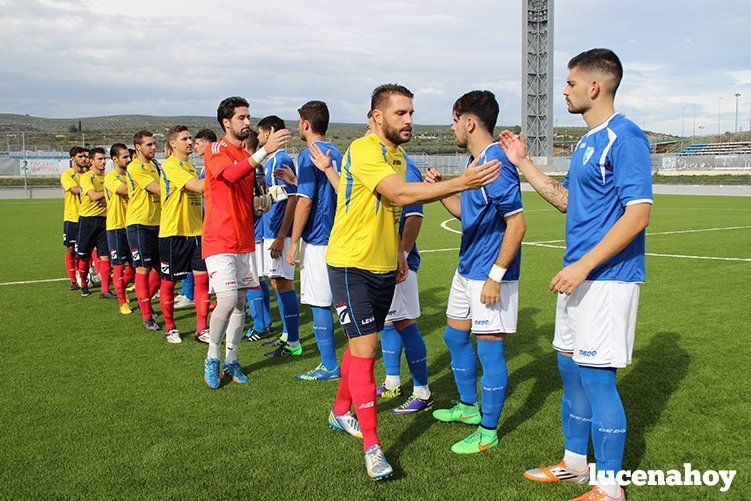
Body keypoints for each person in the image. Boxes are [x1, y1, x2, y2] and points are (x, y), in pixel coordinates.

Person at [324, 83, 501, 480]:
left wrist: (401, 253)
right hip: (351, 265)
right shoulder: (364, 149)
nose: (409, 120)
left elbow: (397, 209)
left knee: (359, 345)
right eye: (400, 113)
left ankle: (339, 411)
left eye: (411, 112)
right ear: (377, 117)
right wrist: (462, 182)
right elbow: (399, 194)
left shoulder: (398, 155)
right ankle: (373, 447)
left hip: (386, 266)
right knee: (366, 349)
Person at [499, 49, 652, 501]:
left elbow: (638, 214)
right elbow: (568, 201)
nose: (563, 90)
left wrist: (585, 264)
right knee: (570, 368)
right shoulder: (587, 141)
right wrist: (523, 162)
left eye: (569, 83)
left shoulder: (625, 137)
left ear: (595, 87)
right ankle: (574, 465)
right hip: (580, 278)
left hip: (608, 278)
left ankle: (610, 489)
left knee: (598, 378)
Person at [426, 90, 526, 454]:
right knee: (454, 338)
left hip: (488, 275)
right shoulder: (475, 164)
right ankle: (468, 408)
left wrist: (495, 278)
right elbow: (467, 216)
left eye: (455, 120)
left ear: (469, 122)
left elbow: (517, 224)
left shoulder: (495, 164)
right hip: (466, 269)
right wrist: (439, 190)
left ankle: (488, 431)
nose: (453, 128)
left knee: (491, 351)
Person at [201, 96, 290, 389]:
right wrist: (265, 150)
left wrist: (268, 200)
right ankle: (212, 358)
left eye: (248, 117)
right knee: (226, 301)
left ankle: (232, 360)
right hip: (219, 240)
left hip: (243, 240)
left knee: (239, 304)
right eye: (241, 118)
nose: (247, 122)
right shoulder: (216, 150)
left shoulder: (244, 156)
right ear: (226, 122)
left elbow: (247, 203)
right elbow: (229, 176)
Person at [281, 100, 343, 380]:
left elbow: (305, 202)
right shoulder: (336, 152)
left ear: (306, 124)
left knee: (320, 303)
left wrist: (293, 241)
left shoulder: (308, 155)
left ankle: (329, 366)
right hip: (339, 236)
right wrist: (297, 181)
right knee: (341, 302)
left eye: (299, 123)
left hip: (318, 239)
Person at [157, 125, 209, 344]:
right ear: (173, 143)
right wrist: (226, 172)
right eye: (185, 139)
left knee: (202, 281)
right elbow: (198, 187)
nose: (190, 142)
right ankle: (170, 327)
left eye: (190, 139)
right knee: (169, 283)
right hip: (173, 233)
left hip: (197, 232)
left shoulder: (189, 165)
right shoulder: (169, 166)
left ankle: (201, 328)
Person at [256, 115, 301, 359]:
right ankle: (286, 334)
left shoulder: (281, 159)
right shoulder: (270, 161)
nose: (259, 137)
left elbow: (293, 198)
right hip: (269, 230)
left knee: (284, 283)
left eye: (260, 132)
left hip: (277, 233)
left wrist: (282, 236)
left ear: (269, 131)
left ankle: (293, 341)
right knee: (276, 282)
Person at [174, 128, 217, 310]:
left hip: (210, 223)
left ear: (207, 145)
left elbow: (201, 189)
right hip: (199, 223)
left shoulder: (208, 166)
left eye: (196, 142)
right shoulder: (194, 167)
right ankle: (187, 294)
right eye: (187, 139)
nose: (192, 144)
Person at [125, 131, 162, 331]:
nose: (153, 147)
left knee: (162, 270)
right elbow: (157, 188)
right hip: (139, 224)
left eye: (154, 144)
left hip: (159, 223)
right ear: (138, 147)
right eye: (149, 144)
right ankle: (147, 315)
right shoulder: (135, 167)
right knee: (142, 269)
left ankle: (144, 301)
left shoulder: (155, 165)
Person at [243, 129, 277, 343]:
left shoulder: (250, 169)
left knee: (251, 280)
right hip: (257, 231)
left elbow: (254, 205)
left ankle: (259, 325)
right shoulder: (259, 168)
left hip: (251, 232)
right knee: (258, 278)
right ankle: (265, 322)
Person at [76, 147, 115, 299]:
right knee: (84, 256)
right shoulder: (87, 177)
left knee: (105, 256)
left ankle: (105, 290)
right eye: (100, 159)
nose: (103, 162)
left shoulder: (108, 177)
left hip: (105, 220)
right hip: (88, 220)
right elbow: (93, 196)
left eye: (105, 159)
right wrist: (112, 191)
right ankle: (84, 284)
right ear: (91, 161)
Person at [104, 143, 136, 314]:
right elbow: (123, 190)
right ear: (115, 159)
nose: (129, 159)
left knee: (134, 266)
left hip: (132, 225)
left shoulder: (131, 175)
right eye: (124, 157)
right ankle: (122, 302)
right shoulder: (110, 178)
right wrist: (142, 182)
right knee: (118, 265)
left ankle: (120, 288)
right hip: (116, 227)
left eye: (129, 156)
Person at [61, 146, 87, 290]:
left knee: (86, 249)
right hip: (72, 217)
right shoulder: (67, 174)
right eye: (80, 156)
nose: (84, 159)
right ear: (73, 158)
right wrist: (90, 189)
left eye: (85, 156)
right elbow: (75, 190)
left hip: (87, 217)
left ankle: (84, 276)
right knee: (71, 249)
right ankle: (72, 280)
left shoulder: (89, 174)